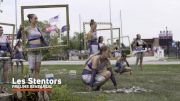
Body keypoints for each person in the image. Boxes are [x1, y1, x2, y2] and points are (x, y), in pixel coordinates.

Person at [23, 14, 48, 79]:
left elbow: (42, 39)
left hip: (39, 50)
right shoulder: (27, 29)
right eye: (35, 18)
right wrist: (21, 30)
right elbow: (18, 36)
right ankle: (28, 80)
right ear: (31, 19)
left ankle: (37, 86)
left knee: (37, 70)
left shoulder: (38, 29)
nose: (37, 20)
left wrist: (48, 46)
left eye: (37, 18)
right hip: (31, 51)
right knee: (31, 69)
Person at [0, 26, 12, 93]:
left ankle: (3, 88)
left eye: (2, 30)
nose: (1, 31)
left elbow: (8, 46)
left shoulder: (5, 37)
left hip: (6, 57)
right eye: (0, 30)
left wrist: (11, 53)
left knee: (5, 72)